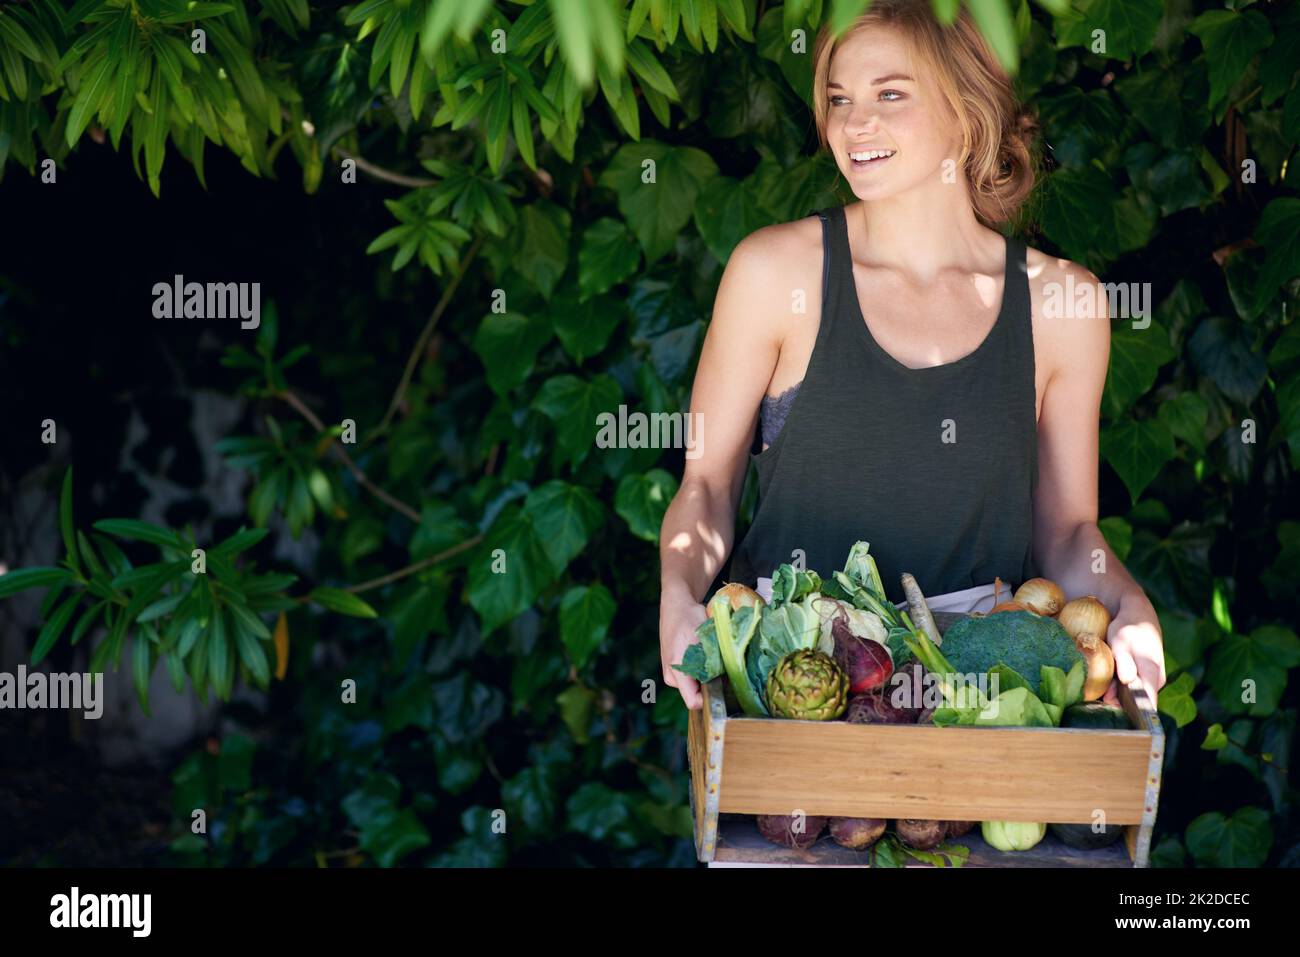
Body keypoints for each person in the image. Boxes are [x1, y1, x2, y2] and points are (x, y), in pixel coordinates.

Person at [658, 0, 1166, 714]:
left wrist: (1129, 602)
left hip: (982, 706)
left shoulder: (1062, 305)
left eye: (890, 94)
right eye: (839, 99)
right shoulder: (775, 274)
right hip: (790, 697)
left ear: (968, 106)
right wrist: (678, 596)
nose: (852, 123)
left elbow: (1069, 531)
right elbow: (706, 486)